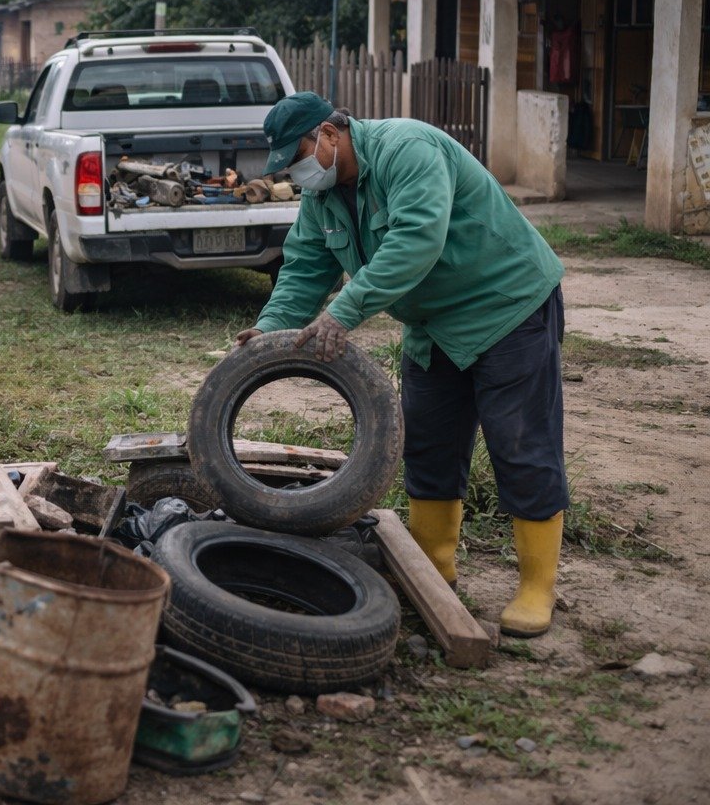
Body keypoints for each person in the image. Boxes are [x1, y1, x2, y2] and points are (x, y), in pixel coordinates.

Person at [235, 92, 567, 637]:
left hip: (507, 307)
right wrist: (268, 330)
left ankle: (536, 588)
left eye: (297, 157)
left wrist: (343, 313)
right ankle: (434, 569)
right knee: (429, 443)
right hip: (432, 327)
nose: (295, 174)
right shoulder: (323, 197)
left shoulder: (407, 149)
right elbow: (304, 267)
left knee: (520, 444)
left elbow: (417, 240)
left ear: (328, 133)